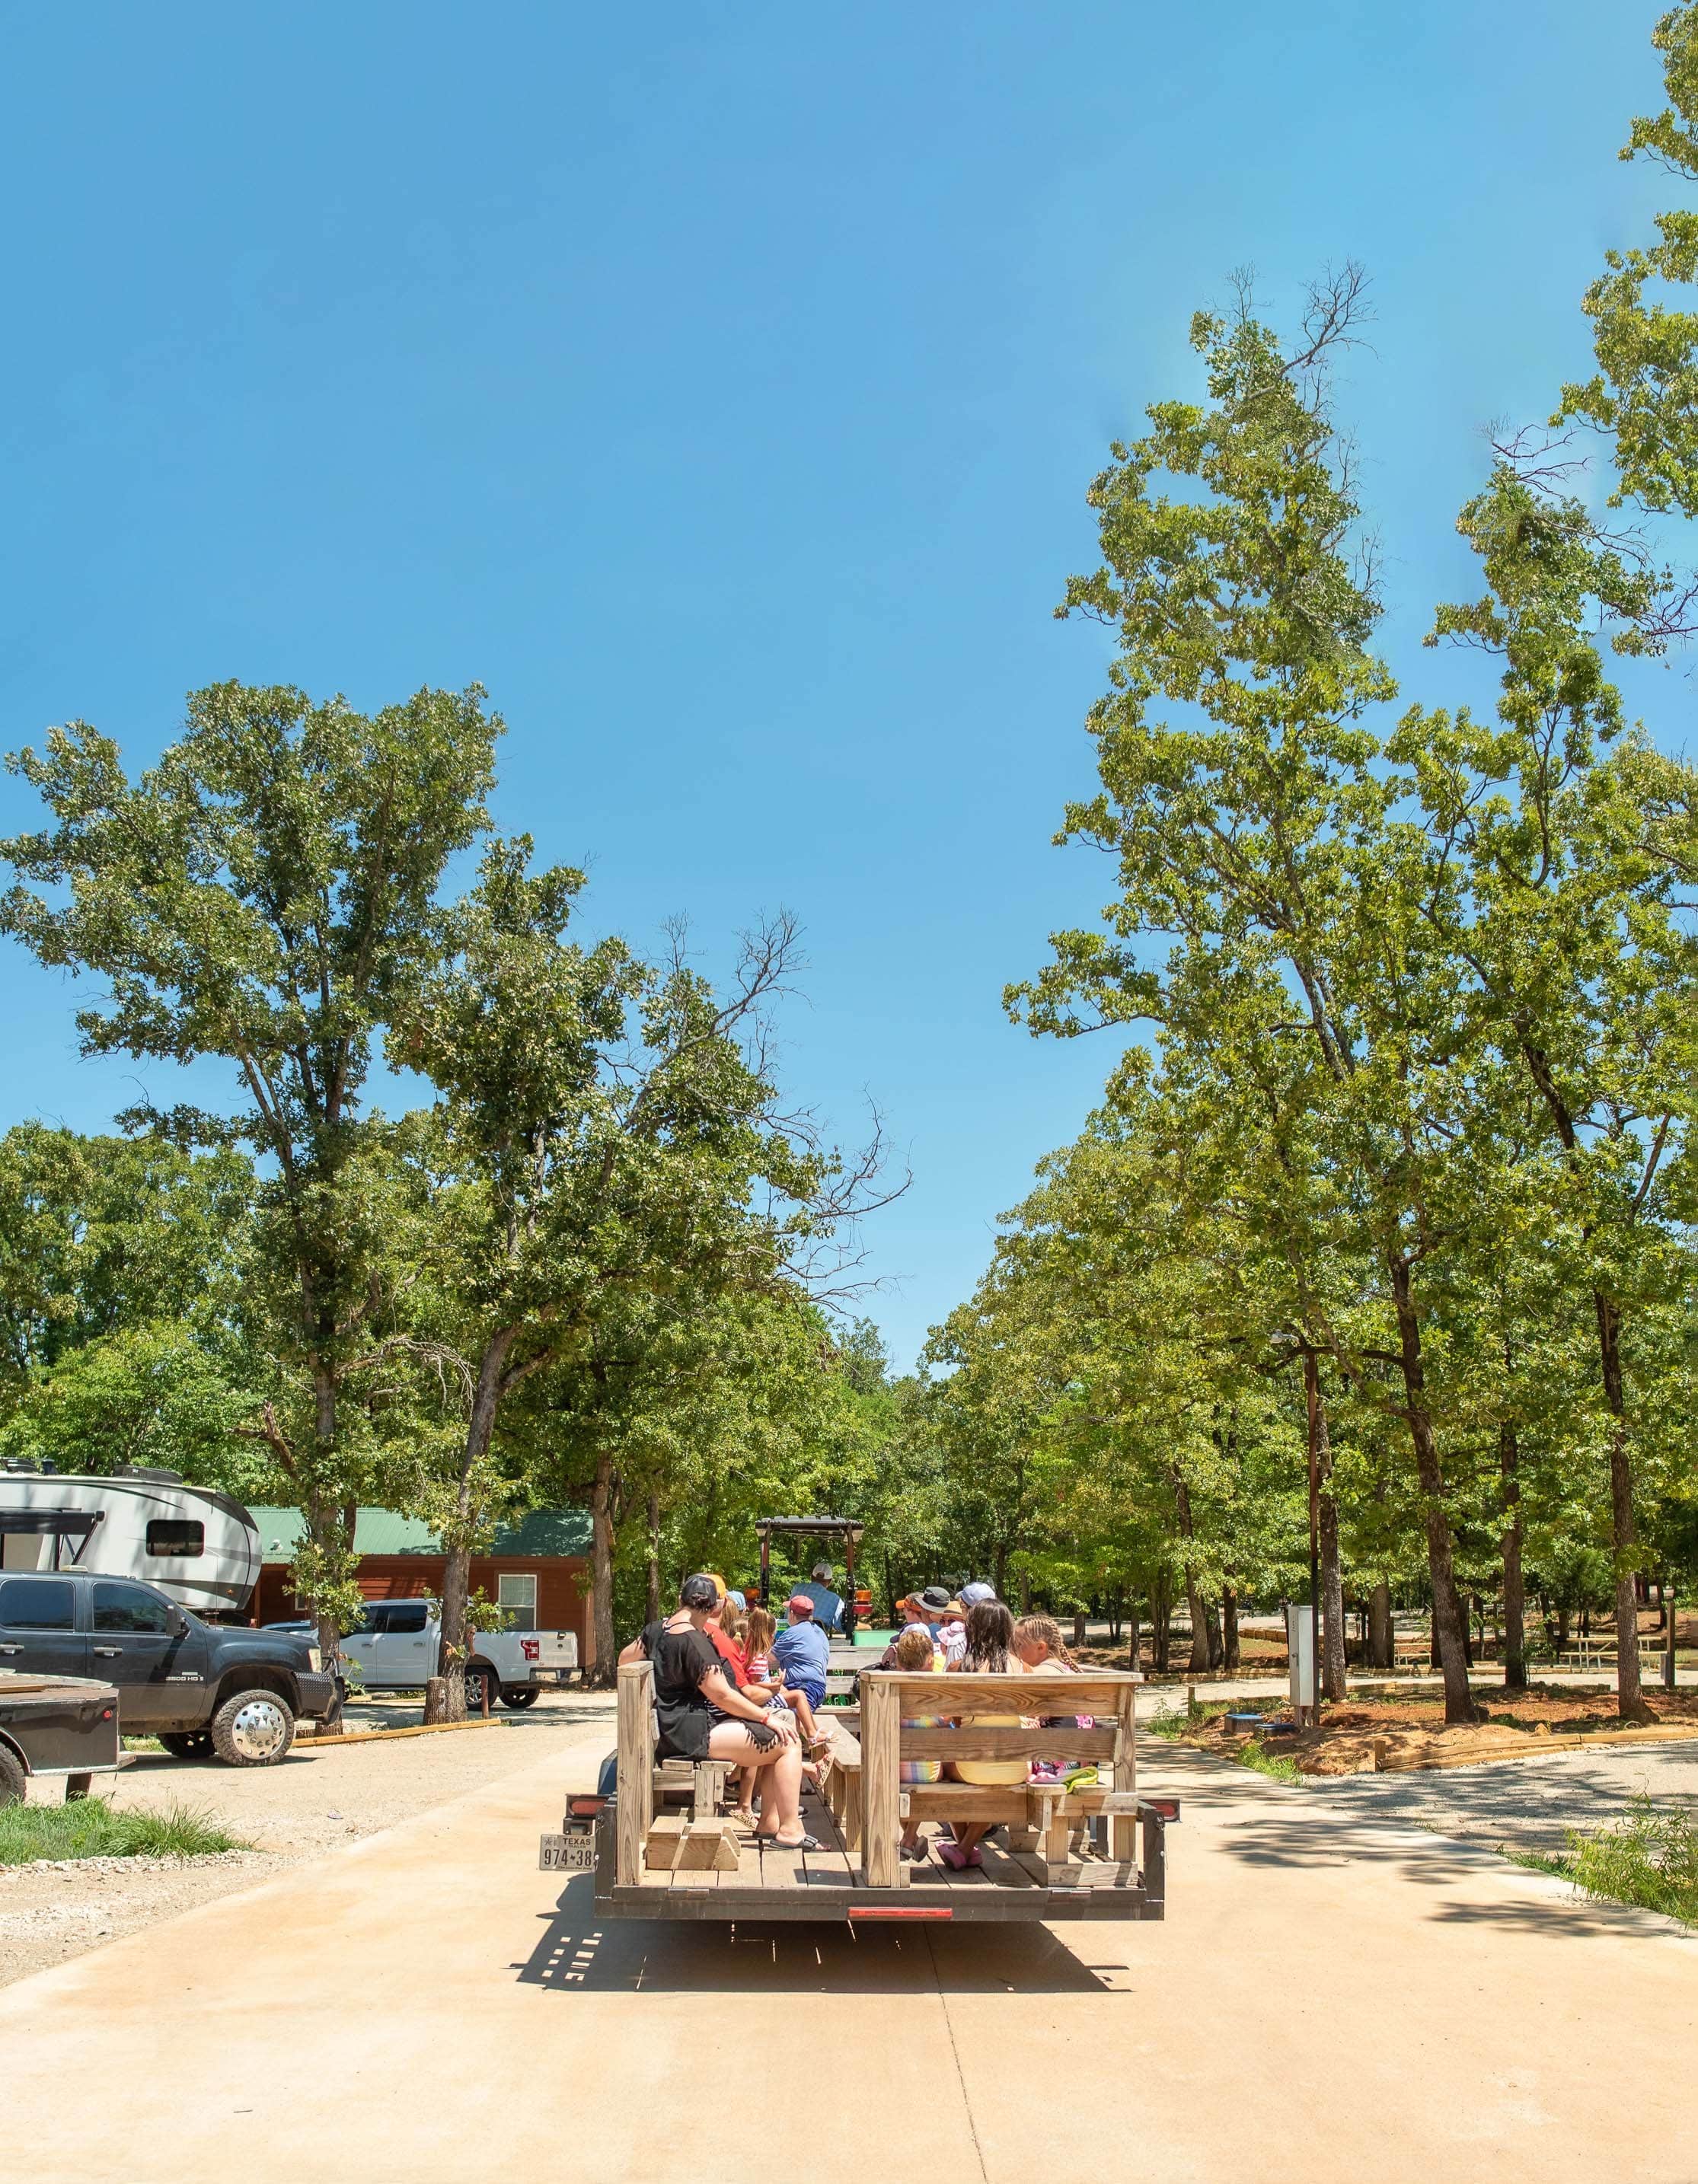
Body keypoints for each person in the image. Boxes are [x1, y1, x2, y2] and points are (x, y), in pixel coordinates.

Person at [617, 1573, 819, 1849]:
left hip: (671, 1728)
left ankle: (771, 1824)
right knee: (788, 1742)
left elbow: (624, 1660)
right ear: (715, 1607)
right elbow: (722, 1695)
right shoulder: (696, 1643)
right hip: (691, 1734)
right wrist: (766, 1717)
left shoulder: (655, 1630)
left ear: (680, 1600)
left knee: (780, 1735)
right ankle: (790, 1830)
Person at [937, 1598, 1030, 1870]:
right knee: (995, 1781)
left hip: (972, 1767)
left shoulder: (959, 1669)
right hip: (1017, 1767)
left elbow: (953, 1720)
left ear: (972, 1630)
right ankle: (965, 1848)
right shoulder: (1022, 1668)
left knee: (943, 1772)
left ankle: (964, 1847)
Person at [894, 1622, 945, 1862]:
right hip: (928, 1773)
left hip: (893, 1770)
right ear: (930, 1661)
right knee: (937, 1765)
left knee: (902, 1779)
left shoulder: (892, 1688)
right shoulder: (935, 1690)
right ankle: (909, 1838)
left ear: (899, 1662)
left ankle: (910, 1838)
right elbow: (945, 1721)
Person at [771, 1593, 831, 1712]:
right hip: (817, 1690)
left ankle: (817, 1731)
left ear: (792, 1614)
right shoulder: (820, 1632)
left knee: (763, 1705)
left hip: (803, 1689)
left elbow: (769, 1659)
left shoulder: (793, 1633)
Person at [795, 1562, 844, 1634]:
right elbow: (840, 1624)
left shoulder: (797, 1588)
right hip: (817, 1638)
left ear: (811, 1577)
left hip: (792, 1633)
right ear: (830, 1581)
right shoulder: (835, 1600)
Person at [937, 1598, 969, 1666]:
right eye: (942, 1621)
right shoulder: (935, 1649)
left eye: (951, 1621)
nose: (946, 1625)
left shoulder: (967, 1646)